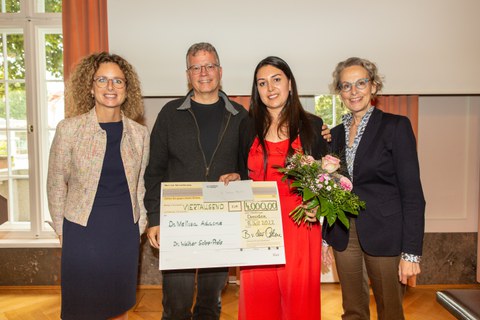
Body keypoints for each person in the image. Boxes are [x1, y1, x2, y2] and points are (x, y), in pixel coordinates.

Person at [143, 42, 248, 320]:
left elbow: (251, 168)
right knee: (176, 306)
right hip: (179, 222)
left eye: (209, 65)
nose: (204, 72)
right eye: (196, 67)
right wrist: (154, 217)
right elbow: (154, 171)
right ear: (188, 73)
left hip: (221, 222)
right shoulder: (169, 114)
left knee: (209, 305)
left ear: (220, 70)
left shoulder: (241, 116)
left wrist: (241, 176)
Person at [47, 52, 150, 320]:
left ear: (127, 90)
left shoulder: (139, 134)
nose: (110, 87)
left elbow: (140, 184)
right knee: (81, 308)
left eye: (118, 81)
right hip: (82, 231)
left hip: (124, 232)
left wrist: (139, 225)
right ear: (90, 87)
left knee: (118, 306)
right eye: (102, 80)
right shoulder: (69, 129)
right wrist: (61, 230)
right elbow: (56, 182)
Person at [322, 57, 425, 320]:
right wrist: (325, 237)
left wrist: (411, 253)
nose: (353, 91)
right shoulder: (333, 134)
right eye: (346, 86)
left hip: (386, 232)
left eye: (360, 83)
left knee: (390, 311)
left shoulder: (396, 126)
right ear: (340, 92)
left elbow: (413, 195)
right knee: (353, 310)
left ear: (374, 86)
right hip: (344, 232)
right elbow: (330, 188)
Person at [235, 56, 328, 320]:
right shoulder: (246, 125)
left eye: (276, 79)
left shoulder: (314, 126)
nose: (270, 88)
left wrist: (318, 206)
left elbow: (328, 178)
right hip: (257, 225)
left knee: (299, 304)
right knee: (258, 302)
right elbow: (240, 172)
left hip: (300, 225)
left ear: (290, 83)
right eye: (262, 83)